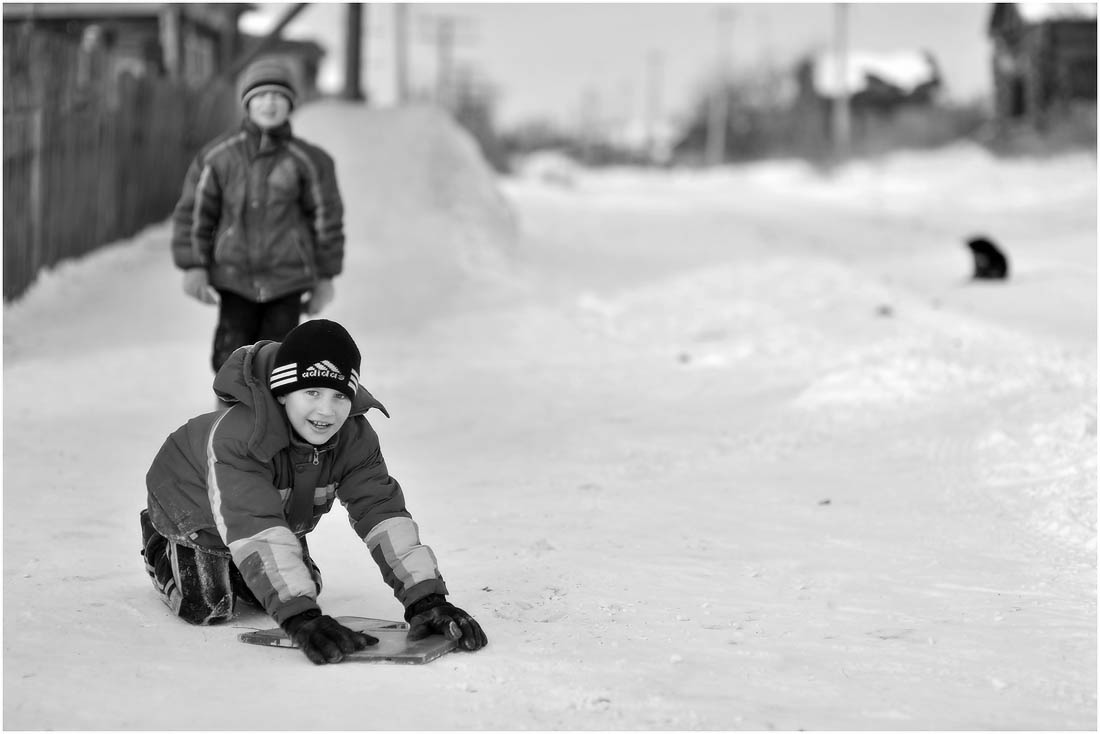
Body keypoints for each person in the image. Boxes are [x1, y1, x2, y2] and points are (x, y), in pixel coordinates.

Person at [141, 319, 488, 664]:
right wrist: (301, 618)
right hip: (191, 501)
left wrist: (426, 599)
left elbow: (382, 512)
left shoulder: (355, 437)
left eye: (339, 395)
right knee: (207, 605)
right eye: (312, 392)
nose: (326, 410)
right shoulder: (241, 439)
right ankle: (160, 544)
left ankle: (243, 564)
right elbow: (253, 522)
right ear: (282, 392)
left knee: (299, 588)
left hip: (275, 507)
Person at [170, 56, 345, 374]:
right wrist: (194, 265)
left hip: (287, 281)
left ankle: (275, 423)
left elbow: (326, 220)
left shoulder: (309, 161)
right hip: (234, 277)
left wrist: (325, 277)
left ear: (291, 104)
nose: (270, 103)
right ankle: (229, 418)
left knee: (280, 364)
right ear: (247, 103)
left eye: (279, 95)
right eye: (261, 95)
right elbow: (195, 213)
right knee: (231, 361)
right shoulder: (218, 157)